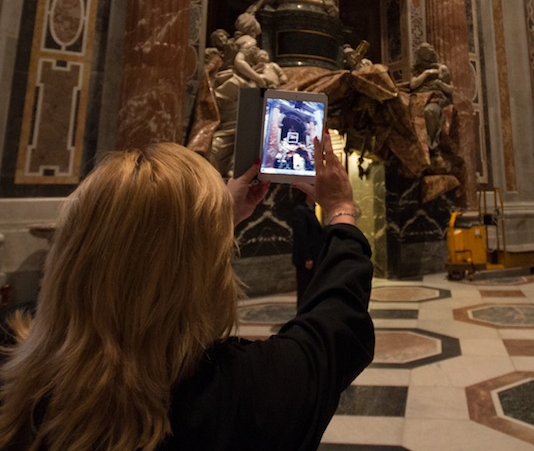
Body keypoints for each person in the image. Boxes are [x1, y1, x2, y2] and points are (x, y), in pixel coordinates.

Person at [0, 135, 374, 451]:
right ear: (206, 274)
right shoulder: (246, 394)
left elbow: (137, 256)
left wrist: (214, 218)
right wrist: (341, 210)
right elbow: (335, 323)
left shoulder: (16, 380)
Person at [291, 190, 325, 305]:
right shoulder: (300, 211)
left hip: (314, 257)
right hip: (306, 259)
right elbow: (301, 235)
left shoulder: (310, 210)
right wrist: (307, 258)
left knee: (311, 289)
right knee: (304, 289)